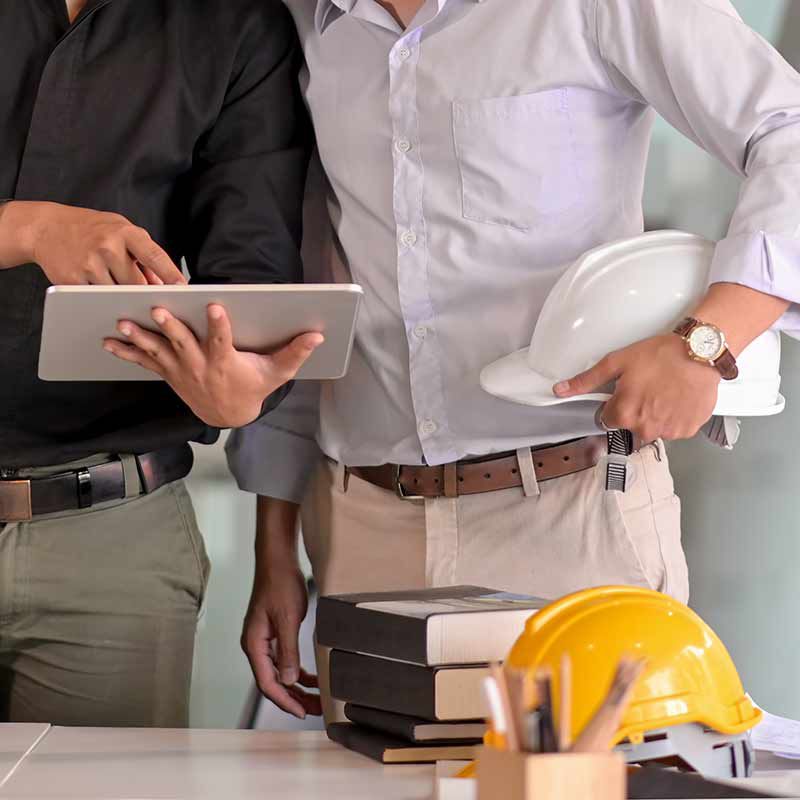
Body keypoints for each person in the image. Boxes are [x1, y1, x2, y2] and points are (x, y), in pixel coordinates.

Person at [223, 0, 800, 722]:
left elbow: (789, 129)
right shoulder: (310, 23)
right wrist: (274, 541)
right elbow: (310, 286)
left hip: (571, 518)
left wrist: (706, 343)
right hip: (363, 534)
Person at [0, 0, 321, 727]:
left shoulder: (236, 25)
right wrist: (29, 227)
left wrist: (237, 386)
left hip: (114, 539)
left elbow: (252, 276)